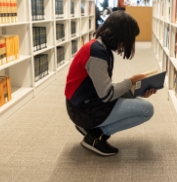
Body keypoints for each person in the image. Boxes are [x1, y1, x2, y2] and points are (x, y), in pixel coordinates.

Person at [65, 11, 156, 156]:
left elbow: (105, 88)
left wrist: (136, 92)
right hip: (82, 110)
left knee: (138, 101)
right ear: (120, 36)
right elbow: (107, 94)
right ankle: (96, 135)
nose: (128, 44)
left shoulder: (100, 47)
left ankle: (92, 129)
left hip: (85, 102)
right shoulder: (97, 54)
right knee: (147, 110)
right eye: (128, 39)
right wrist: (131, 81)